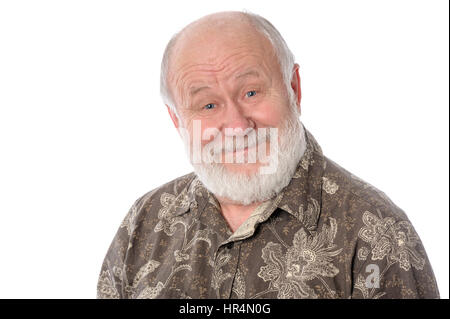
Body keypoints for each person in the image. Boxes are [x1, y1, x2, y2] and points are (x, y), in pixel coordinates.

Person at [97, 11, 439, 299]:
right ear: (177, 121)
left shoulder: (377, 231)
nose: (236, 125)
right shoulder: (144, 223)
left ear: (294, 88)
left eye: (250, 91)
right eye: (209, 104)